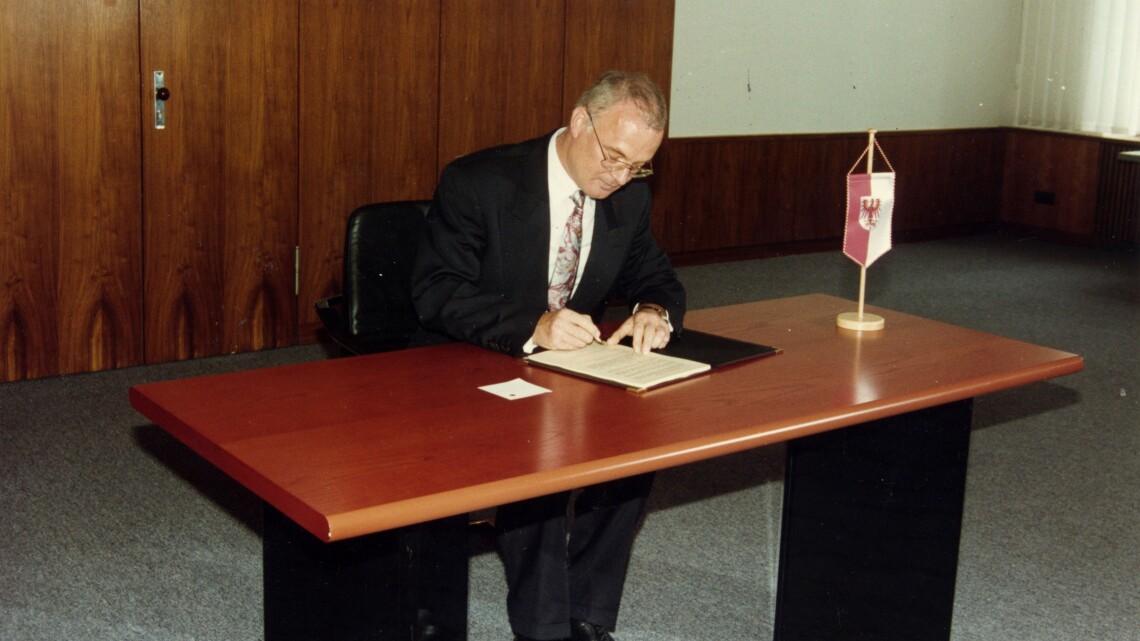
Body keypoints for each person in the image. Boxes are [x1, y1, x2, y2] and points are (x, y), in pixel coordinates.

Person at [411, 70, 684, 641]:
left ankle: (587, 615)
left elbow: (655, 275)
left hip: (565, 369)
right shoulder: (480, 181)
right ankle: (545, 629)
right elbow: (437, 291)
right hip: (475, 362)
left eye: (639, 166)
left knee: (634, 445)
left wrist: (654, 311)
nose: (622, 176)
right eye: (614, 157)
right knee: (536, 455)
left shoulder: (627, 197)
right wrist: (534, 324)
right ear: (581, 121)